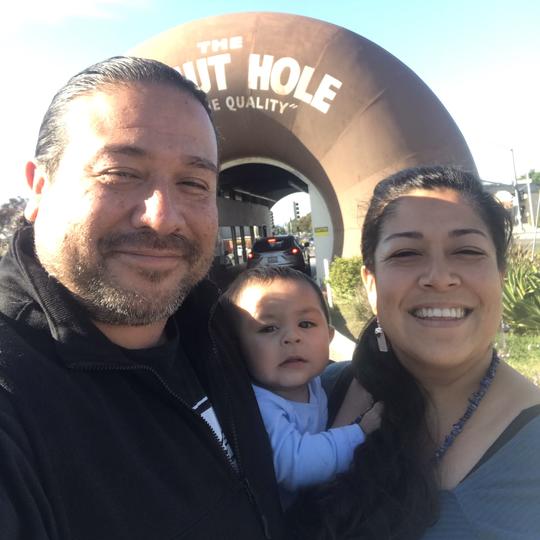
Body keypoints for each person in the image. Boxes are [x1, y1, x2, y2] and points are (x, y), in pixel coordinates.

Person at [0, 56, 288, 540]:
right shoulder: (15, 397)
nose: (162, 217)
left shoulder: (212, 322)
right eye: (120, 173)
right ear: (40, 187)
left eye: (193, 183)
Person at [291, 166, 540, 539]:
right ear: (371, 284)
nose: (439, 277)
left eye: (467, 251)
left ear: (500, 277)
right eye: (407, 253)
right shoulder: (315, 394)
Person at [222, 266, 382, 508]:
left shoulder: (315, 382)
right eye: (268, 328)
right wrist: (360, 432)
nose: (292, 337)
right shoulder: (259, 405)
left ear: (329, 337)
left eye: (306, 324)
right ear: (236, 347)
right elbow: (295, 465)